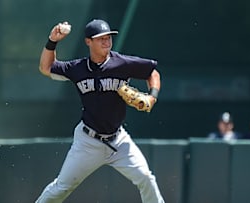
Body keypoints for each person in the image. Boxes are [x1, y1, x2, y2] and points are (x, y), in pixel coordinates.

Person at [35, 19, 164, 203]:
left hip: (118, 140)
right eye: (100, 38)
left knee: (146, 178)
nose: (106, 41)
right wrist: (52, 41)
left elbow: (153, 72)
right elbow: (45, 67)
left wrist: (152, 96)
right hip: (88, 141)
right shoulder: (77, 68)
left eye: (108, 37)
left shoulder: (122, 63)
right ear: (88, 41)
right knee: (61, 188)